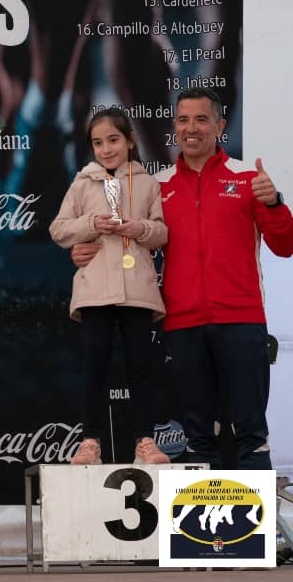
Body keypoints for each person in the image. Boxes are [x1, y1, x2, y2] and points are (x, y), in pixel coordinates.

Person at [72, 88, 293, 468]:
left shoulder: (247, 178)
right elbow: (120, 232)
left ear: (220, 126)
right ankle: (201, 508)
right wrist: (81, 249)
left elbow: (285, 246)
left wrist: (274, 203)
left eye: (202, 119)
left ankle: (255, 508)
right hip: (183, 324)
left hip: (241, 319)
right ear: (174, 126)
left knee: (251, 433)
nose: (191, 128)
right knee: (197, 435)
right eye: (183, 120)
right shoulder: (156, 184)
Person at [50, 108, 170, 465]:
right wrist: (91, 224)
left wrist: (140, 229)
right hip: (95, 292)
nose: (106, 149)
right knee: (95, 365)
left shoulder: (148, 184)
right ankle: (90, 442)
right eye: (98, 143)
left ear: (131, 141)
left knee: (141, 367)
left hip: (137, 291)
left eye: (113, 140)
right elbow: (58, 229)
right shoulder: (82, 183)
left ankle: (145, 441)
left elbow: (162, 233)